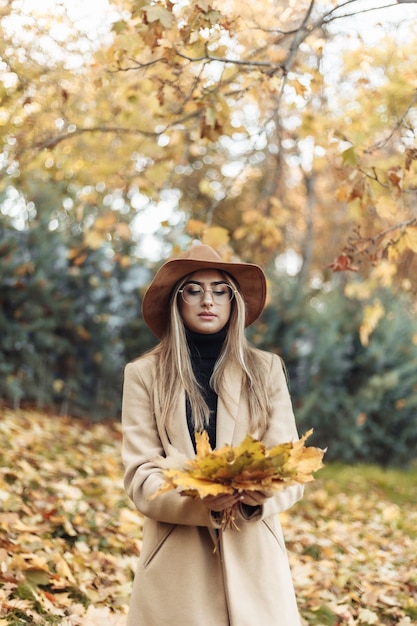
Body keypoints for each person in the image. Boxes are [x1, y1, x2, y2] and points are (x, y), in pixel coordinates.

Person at [121, 243, 304, 626]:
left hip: (255, 562)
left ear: (233, 301)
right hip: (176, 567)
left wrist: (259, 498)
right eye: (194, 289)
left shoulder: (266, 370)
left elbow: (289, 467)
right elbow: (140, 477)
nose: (208, 300)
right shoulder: (144, 374)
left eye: (220, 290)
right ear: (178, 300)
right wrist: (201, 500)